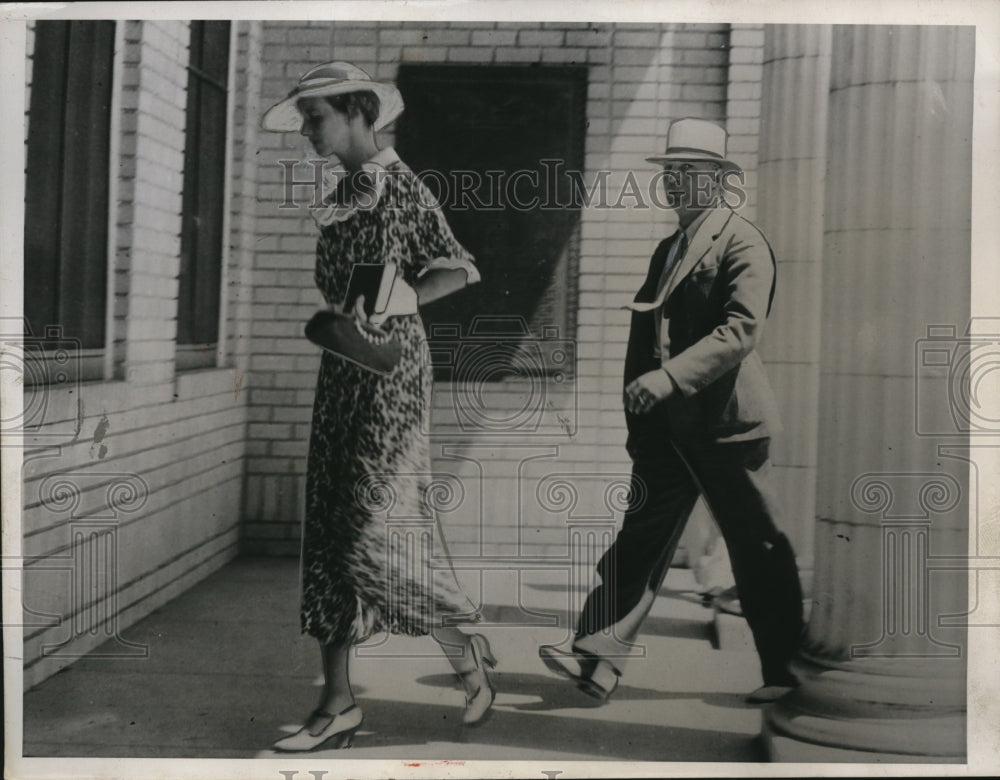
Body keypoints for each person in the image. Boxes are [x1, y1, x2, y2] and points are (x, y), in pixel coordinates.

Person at [261, 62, 496, 752]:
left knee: (370, 532)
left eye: (317, 117)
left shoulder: (403, 187)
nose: (308, 130)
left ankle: (463, 647)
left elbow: (459, 265)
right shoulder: (342, 195)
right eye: (305, 118)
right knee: (331, 537)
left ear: (360, 113)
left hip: (391, 376)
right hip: (344, 371)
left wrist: (400, 299)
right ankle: (336, 704)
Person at [539, 118, 804, 705]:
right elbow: (647, 338)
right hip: (668, 431)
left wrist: (668, 378)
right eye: (671, 173)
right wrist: (642, 417)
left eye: (691, 172)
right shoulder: (669, 246)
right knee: (638, 539)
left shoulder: (743, 241)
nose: (677, 183)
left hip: (729, 426)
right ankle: (596, 658)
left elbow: (741, 330)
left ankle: (786, 675)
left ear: (719, 181)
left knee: (758, 549)